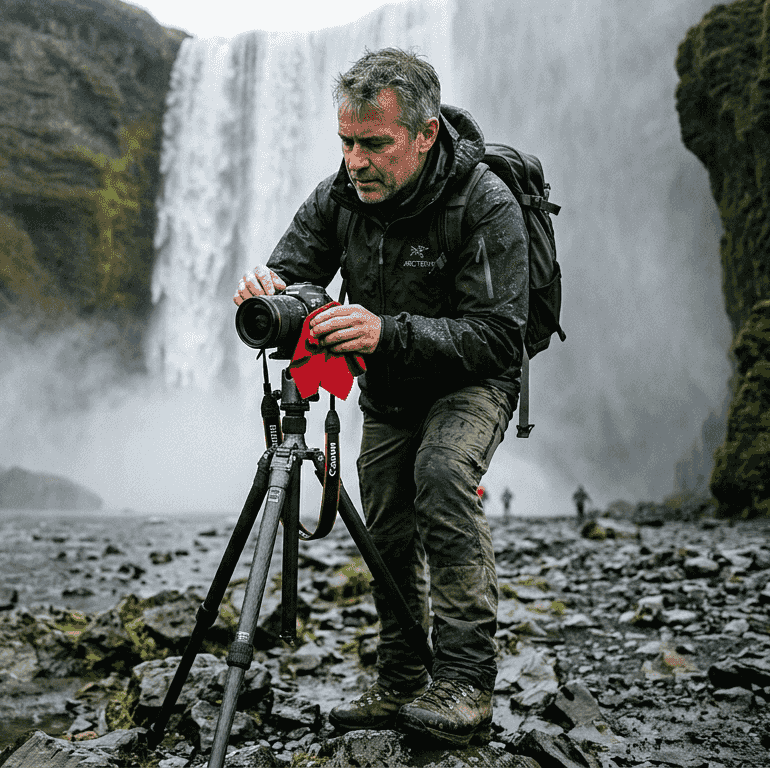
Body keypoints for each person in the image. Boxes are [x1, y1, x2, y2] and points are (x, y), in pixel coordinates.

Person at [232, 48, 527, 748]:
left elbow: (497, 337)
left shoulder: (485, 202)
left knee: (442, 475)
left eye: (374, 144)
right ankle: (400, 678)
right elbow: (298, 274)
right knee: (388, 522)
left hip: (471, 380)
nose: (356, 160)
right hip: (390, 387)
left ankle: (464, 683)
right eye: (346, 142)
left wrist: (384, 330)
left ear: (425, 135)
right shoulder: (340, 193)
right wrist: (280, 298)